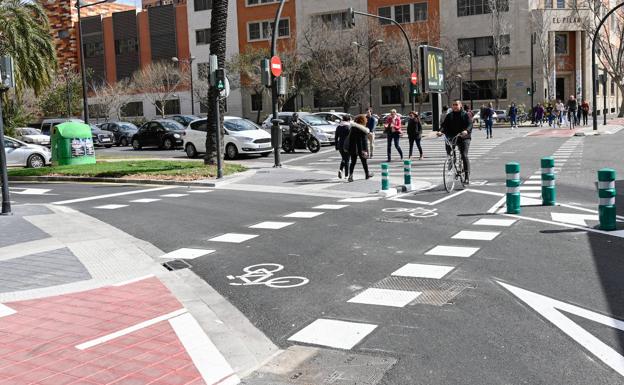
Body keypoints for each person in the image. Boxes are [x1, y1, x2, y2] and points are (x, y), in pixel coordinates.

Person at [437, 100, 472, 184]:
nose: (455, 106)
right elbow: (444, 125)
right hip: (452, 137)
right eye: (453, 105)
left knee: (464, 155)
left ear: (460, 106)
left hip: (463, 137)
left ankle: (466, 176)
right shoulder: (449, 115)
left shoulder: (465, 115)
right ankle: (452, 159)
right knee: (449, 150)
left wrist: (466, 131)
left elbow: (470, 124)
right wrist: (440, 131)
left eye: (456, 104)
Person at [347, 115, 373, 182]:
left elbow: (350, 139)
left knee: (353, 162)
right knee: (364, 162)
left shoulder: (352, 129)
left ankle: (350, 176)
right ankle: (367, 174)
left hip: (353, 148)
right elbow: (364, 142)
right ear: (362, 121)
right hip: (361, 149)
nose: (366, 121)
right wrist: (366, 151)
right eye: (365, 120)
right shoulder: (363, 130)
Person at [335, 115, 351, 179]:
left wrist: (336, 145)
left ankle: (340, 170)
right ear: (348, 120)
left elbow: (336, 137)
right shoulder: (349, 127)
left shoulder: (338, 127)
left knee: (344, 158)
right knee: (347, 160)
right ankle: (346, 175)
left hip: (340, 144)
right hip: (347, 145)